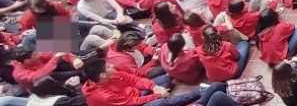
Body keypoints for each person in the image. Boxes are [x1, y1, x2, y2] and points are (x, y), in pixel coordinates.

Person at [81, 59, 235, 106]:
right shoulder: (101, 96)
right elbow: (131, 102)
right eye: (108, 67)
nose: (112, 66)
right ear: (102, 75)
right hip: (133, 103)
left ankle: (203, 95)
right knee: (161, 103)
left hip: (136, 93)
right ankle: (199, 94)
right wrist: (156, 95)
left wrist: (153, 86)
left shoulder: (111, 74)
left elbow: (134, 79)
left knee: (165, 78)